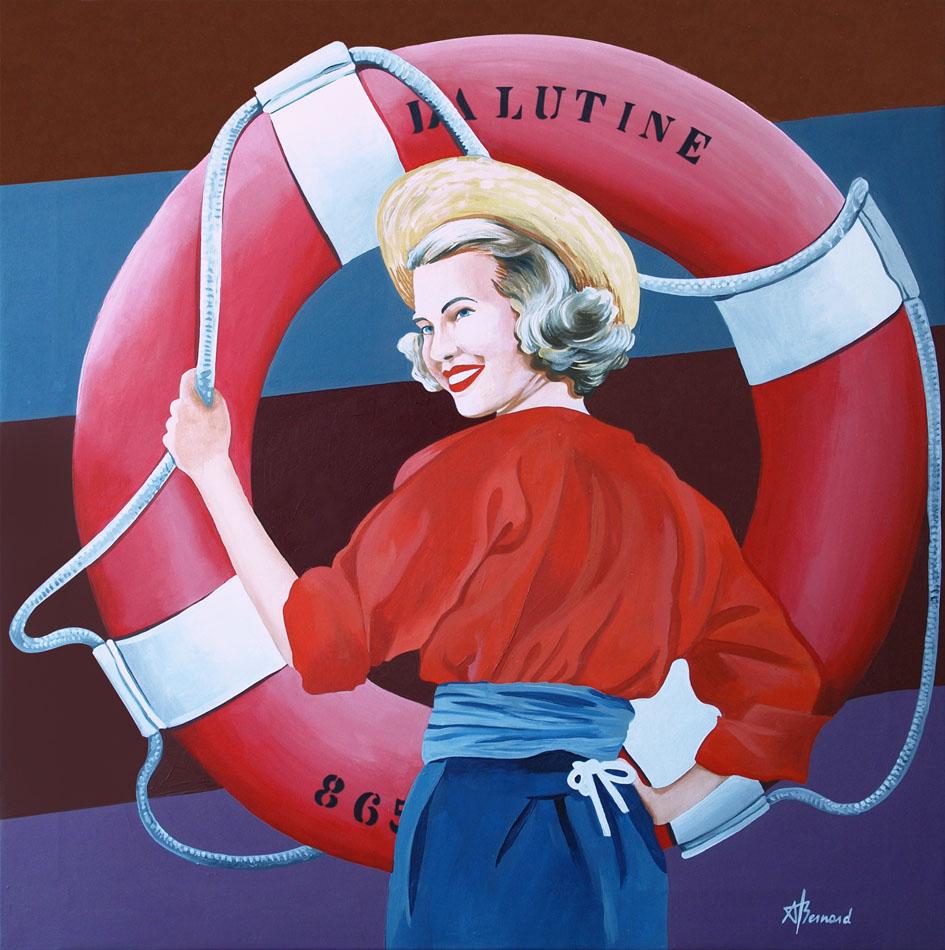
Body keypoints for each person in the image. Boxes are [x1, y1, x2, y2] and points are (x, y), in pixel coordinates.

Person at [163, 156, 828, 949]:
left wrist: (211, 472)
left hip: (482, 829)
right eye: (424, 327)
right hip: (614, 836)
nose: (437, 349)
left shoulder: (471, 472)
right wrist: (665, 801)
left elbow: (322, 646)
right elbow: (780, 687)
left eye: (460, 314)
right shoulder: (674, 502)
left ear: (540, 309)